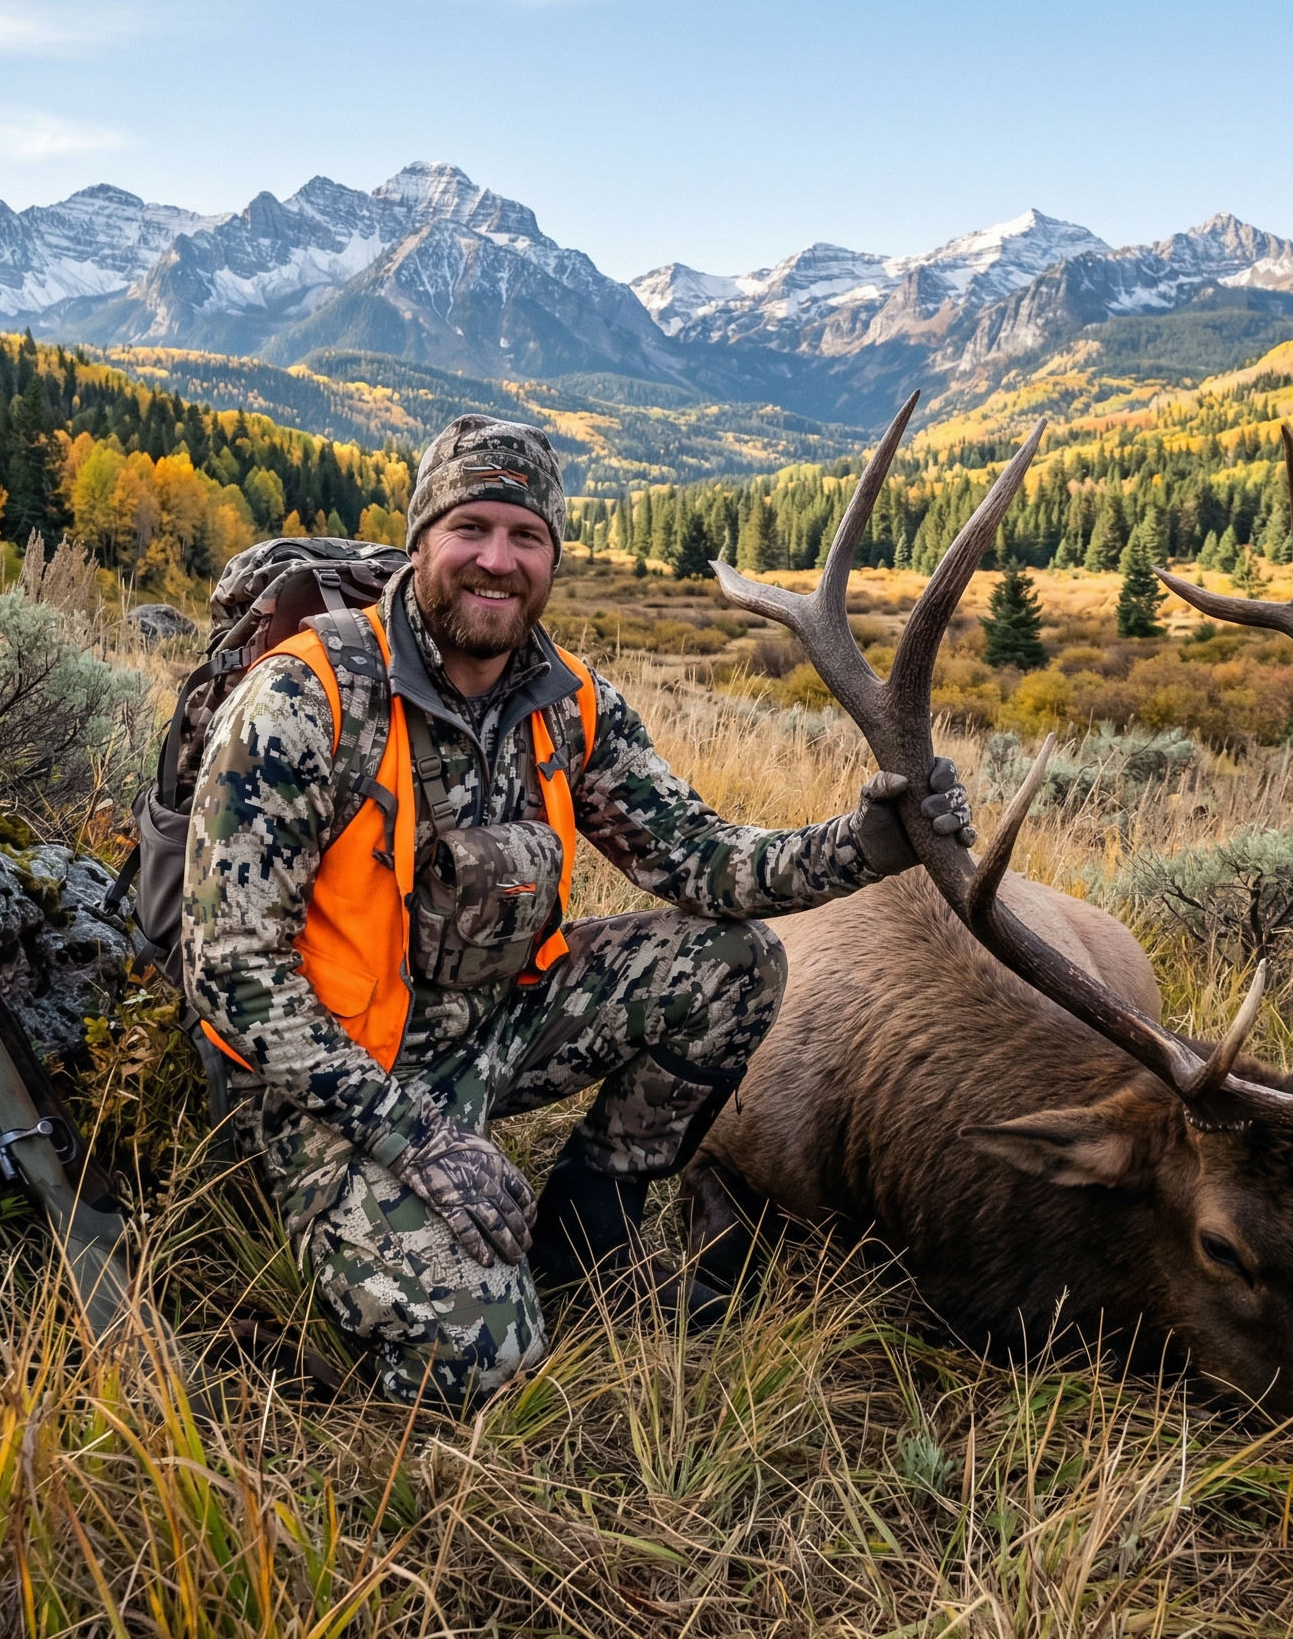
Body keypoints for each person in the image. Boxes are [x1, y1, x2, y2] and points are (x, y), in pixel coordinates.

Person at [183, 414, 971, 1409]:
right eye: (471, 527)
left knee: (734, 964)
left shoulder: (570, 703)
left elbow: (709, 865)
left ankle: (586, 1242)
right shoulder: (308, 698)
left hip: (491, 1028)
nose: (496, 560)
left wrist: (866, 844)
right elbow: (229, 972)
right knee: (487, 1361)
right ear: (422, 536)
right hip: (334, 1084)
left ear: (553, 555)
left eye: (527, 537)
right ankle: (320, 1337)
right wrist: (414, 1133)